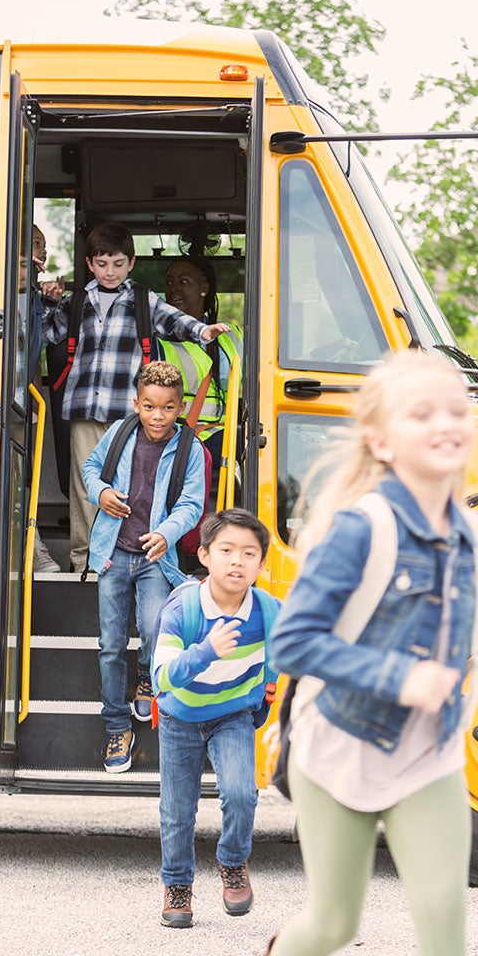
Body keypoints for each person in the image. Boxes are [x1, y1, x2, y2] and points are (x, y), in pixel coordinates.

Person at [263, 350, 477, 956]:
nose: (446, 423)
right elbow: (292, 642)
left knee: (444, 923)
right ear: (382, 443)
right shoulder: (363, 527)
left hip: (426, 753)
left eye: (457, 410)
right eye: (422, 414)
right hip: (338, 747)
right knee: (335, 926)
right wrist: (399, 677)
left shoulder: (469, 537)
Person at [43, 222, 232, 573]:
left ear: (130, 263)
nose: (109, 271)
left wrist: (203, 331)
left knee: (128, 486)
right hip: (85, 407)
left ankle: (124, 557)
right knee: (86, 485)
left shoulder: (143, 300)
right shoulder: (77, 302)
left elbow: (175, 321)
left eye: (117, 263)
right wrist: (46, 299)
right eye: (102, 264)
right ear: (89, 265)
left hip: (126, 413)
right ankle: (85, 560)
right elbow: (46, 332)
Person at [152, 507, 280, 928]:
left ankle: (232, 862)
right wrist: (206, 651)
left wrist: (267, 692)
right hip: (179, 717)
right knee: (177, 811)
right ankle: (178, 886)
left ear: (262, 564)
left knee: (243, 793)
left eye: (249, 553)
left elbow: (290, 653)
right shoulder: (183, 608)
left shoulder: (269, 610)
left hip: (232, 714)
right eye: (226, 550)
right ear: (205, 555)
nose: (237, 561)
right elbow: (162, 677)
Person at [83, 361, 206, 772]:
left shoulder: (190, 450)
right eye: (149, 406)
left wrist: (165, 533)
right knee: (110, 645)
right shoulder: (119, 433)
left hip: (156, 557)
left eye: (168, 408)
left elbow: (191, 505)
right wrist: (100, 493)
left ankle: (147, 677)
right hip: (112, 553)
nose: (157, 416)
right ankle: (117, 727)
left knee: (155, 631)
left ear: (181, 407)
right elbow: (90, 470)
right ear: (136, 403)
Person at [158, 255, 242, 470]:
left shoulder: (232, 337)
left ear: (204, 287)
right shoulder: (158, 341)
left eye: (183, 281)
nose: (173, 289)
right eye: (169, 282)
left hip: (222, 432)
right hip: (179, 439)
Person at [29, 225, 62, 573]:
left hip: (26, 401)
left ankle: (32, 545)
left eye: (45, 246)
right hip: (0, 400)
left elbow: (43, 346)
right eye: (36, 243)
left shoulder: (38, 298)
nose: (44, 252)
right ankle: (33, 549)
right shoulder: (12, 286)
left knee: (26, 478)